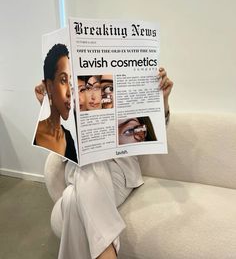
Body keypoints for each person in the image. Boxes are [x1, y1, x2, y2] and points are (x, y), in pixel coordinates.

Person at [35, 67, 173, 259]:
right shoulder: (75, 105)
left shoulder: (124, 97)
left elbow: (152, 130)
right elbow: (58, 139)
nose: (95, 95)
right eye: (86, 89)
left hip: (119, 174)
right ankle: (107, 253)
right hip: (77, 171)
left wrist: (163, 99)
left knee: (72, 198)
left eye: (101, 88)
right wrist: (47, 104)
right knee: (88, 162)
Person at [34, 43, 77, 163]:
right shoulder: (39, 133)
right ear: (49, 85)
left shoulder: (68, 138)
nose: (69, 92)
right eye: (63, 80)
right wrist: (44, 102)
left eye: (70, 82)